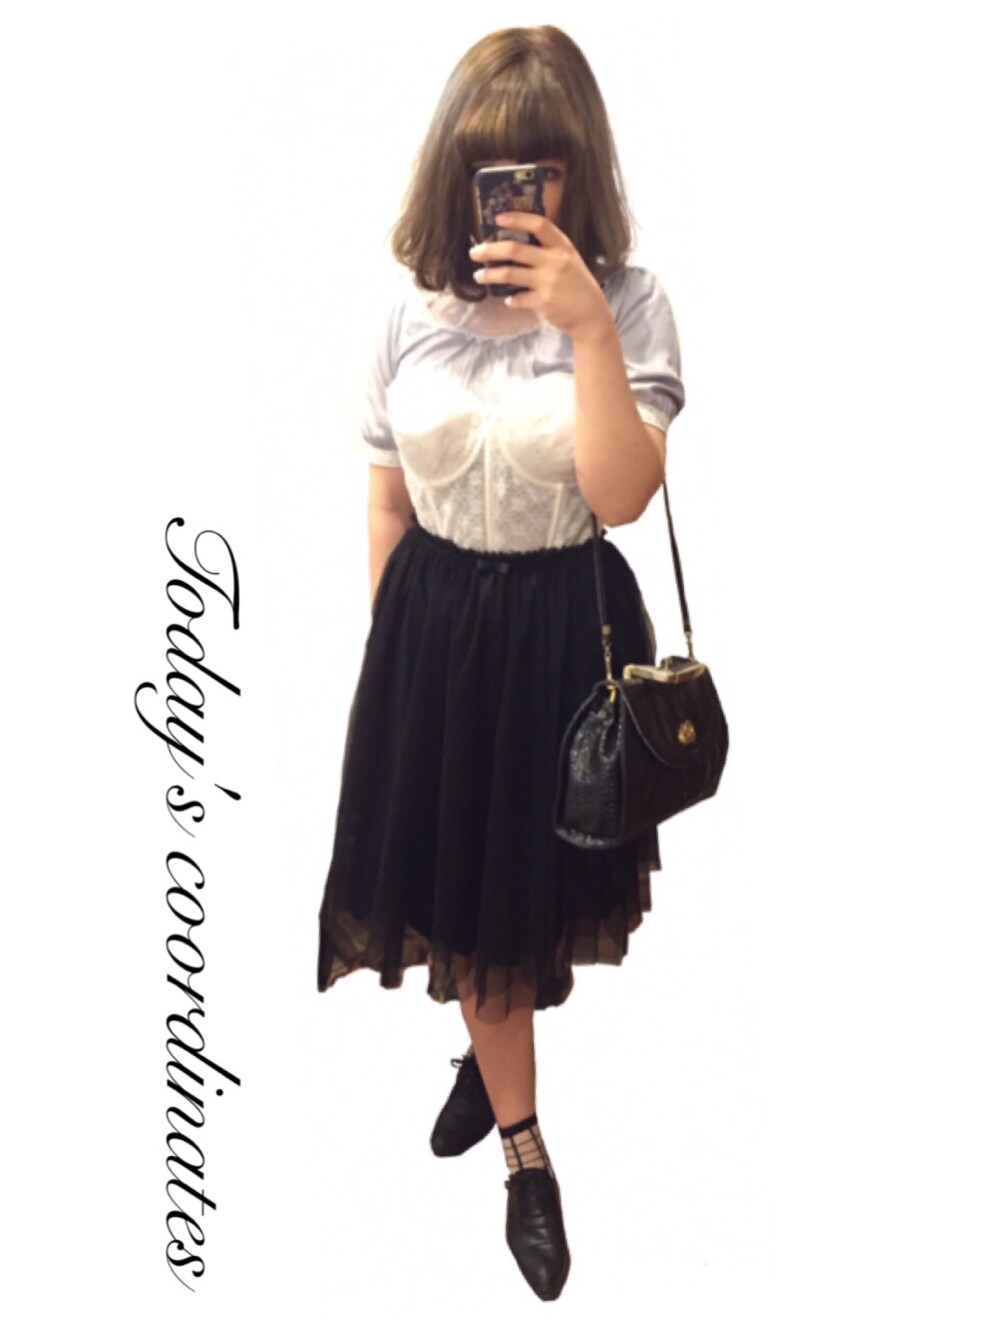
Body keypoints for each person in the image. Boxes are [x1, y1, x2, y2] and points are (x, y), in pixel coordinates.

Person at [316, 24, 686, 1301]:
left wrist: (587, 331)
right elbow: (385, 501)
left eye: (542, 168)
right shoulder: (405, 312)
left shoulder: (628, 304)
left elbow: (620, 496)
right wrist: (395, 661)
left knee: (512, 899)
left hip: (561, 635)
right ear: (453, 171)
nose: (516, 195)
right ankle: (526, 1150)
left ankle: (491, 1072)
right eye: (492, 169)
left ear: (578, 169)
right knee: (470, 896)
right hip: (433, 638)